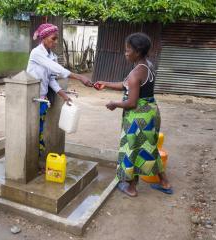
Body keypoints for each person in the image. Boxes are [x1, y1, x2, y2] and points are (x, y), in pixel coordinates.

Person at [95, 33, 172, 197]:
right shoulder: (147, 65)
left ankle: (130, 187)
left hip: (137, 117)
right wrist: (105, 83)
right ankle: (164, 182)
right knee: (149, 148)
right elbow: (127, 85)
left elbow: (131, 103)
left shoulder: (136, 72)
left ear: (137, 51)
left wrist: (114, 104)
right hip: (151, 113)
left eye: (128, 50)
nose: (125, 53)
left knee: (130, 149)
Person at [26, 23, 92, 159]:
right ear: (43, 38)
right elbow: (57, 69)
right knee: (32, 131)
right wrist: (79, 77)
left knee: (40, 130)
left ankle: (39, 160)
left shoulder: (52, 56)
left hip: (42, 99)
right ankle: (33, 161)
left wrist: (65, 96)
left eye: (56, 39)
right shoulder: (36, 53)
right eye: (53, 39)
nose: (55, 42)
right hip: (31, 98)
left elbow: (51, 80)